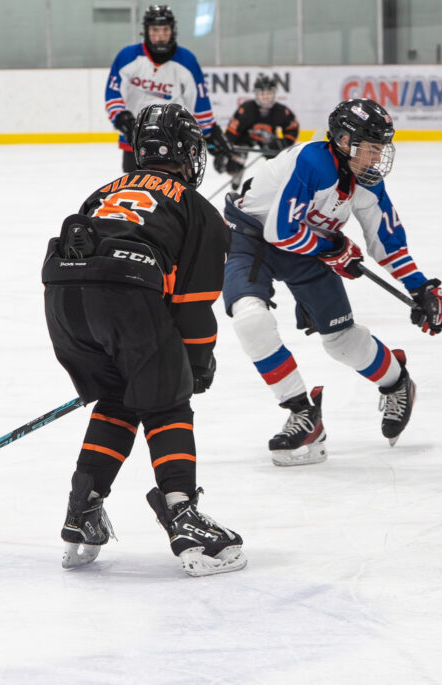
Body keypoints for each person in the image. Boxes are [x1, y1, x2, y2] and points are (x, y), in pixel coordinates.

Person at [42, 103, 245, 577]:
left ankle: (83, 512)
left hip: (62, 301)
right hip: (126, 296)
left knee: (117, 399)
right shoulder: (198, 211)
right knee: (167, 402)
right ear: (184, 152)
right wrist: (194, 363)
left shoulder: (103, 190)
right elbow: (193, 306)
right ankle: (182, 514)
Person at [221, 98, 442, 467]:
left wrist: (421, 287)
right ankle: (302, 413)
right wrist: (334, 247)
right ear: (343, 141)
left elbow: (385, 242)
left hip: (306, 246)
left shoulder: (366, 182)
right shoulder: (314, 162)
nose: (376, 158)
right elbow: (280, 232)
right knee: (250, 318)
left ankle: (396, 381)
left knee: (341, 341)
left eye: (380, 149)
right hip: (251, 239)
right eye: (370, 149)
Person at [104, 5, 232, 174]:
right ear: (146, 31)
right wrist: (123, 119)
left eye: (165, 30)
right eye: (155, 30)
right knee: (139, 193)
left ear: (173, 31)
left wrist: (209, 133)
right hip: (135, 141)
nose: (161, 36)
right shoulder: (127, 56)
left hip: (175, 142)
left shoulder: (186, 61)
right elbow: (113, 94)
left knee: (174, 195)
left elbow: (199, 102)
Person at [216, 75, 300, 191]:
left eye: (269, 93)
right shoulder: (246, 109)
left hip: (268, 141)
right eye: (262, 93)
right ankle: (237, 171)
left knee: (277, 165)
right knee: (233, 165)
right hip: (245, 139)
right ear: (256, 94)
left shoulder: (280, 111)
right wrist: (223, 150)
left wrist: (283, 143)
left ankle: (273, 184)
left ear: (274, 93)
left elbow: (293, 127)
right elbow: (232, 130)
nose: (266, 96)